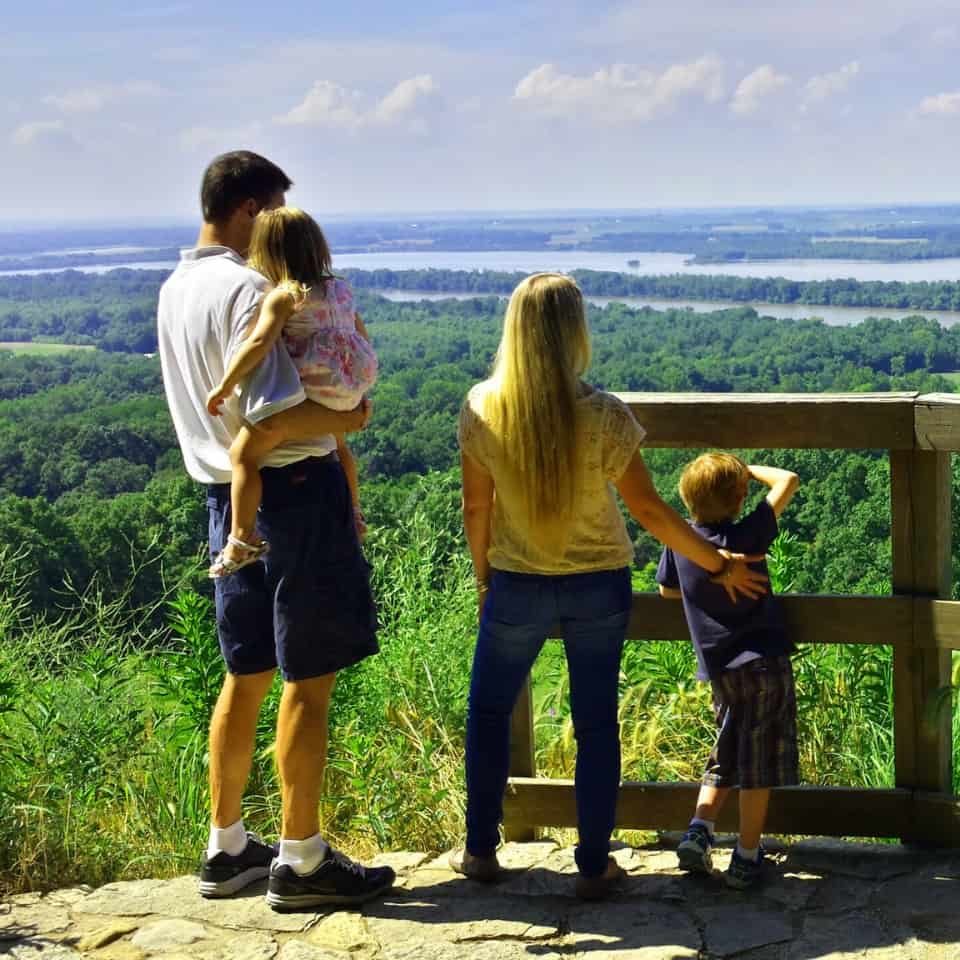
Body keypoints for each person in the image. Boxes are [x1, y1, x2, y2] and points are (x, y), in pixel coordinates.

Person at [453, 273, 768, 901]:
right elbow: (652, 513)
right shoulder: (604, 416)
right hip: (597, 582)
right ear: (574, 332)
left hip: (516, 580)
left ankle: (480, 850)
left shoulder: (482, 406)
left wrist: (484, 576)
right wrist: (716, 563)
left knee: (488, 715)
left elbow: (475, 509)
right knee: (595, 723)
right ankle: (594, 863)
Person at [157, 150, 394, 911]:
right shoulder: (251, 290)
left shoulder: (176, 289)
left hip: (228, 503)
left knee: (247, 672)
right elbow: (275, 415)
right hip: (292, 491)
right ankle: (301, 858)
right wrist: (350, 417)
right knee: (307, 681)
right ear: (251, 210)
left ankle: (226, 847)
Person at [205, 207, 378, 576]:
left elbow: (258, 343)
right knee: (339, 446)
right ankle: (354, 513)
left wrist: (226, 384)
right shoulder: (340, 289)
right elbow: (359, 334)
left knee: (243, 456)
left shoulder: (285, 297)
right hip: (349, 382)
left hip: (314, 387)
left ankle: (240, 537)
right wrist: (354, 385)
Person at [656, 453, 799, 890]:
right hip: (765, 664)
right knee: (759, 766)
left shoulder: (681, 543)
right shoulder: (749, 533)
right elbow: (788, 480)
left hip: (721, 670)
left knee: (728, 750)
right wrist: (748, 469)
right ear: (739, 498)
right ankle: (747, 856)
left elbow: (665, 591)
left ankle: (700, 829)